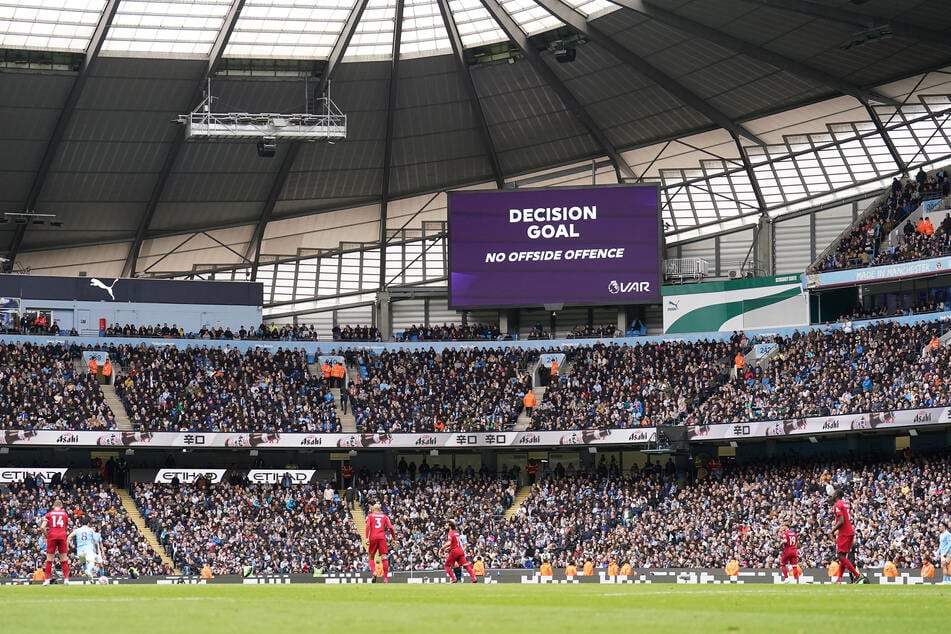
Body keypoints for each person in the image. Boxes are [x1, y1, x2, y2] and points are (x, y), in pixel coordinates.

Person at [829, 489, 868, 584]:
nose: (832, 495)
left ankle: (857, 575)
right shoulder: (845, 504)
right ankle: (838, 580)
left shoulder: (837, 505)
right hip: (850, 531)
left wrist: (832, 531)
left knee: (840, 556)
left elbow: (841, 521)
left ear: (836, 495)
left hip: (845, 532)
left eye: (833, 493)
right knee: (843, 557)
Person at [41, 499, 70, 585]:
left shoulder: (49, 514)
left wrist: (47, 536)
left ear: (53, 506)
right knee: (64, 559)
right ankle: (66, 580)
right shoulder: (65, 514)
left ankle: (46, 580)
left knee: (49, 559)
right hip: (62, 536)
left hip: (52, 536)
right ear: (61, 506)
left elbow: (42, 527)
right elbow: (66, 526)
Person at [365, 502, 396, 583]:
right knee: (384, 557)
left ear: (373, 509)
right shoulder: (385, 517)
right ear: (380, 509)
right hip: (382, 538)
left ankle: (374, 572)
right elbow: (391, 527)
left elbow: (368, 526)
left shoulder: (370, 516)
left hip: (373, 537)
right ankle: (385, 579)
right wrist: (394, 538)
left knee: (371, 557)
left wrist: (366, 538)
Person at [440, 519, 476, 583]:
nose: (445, 526)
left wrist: (442, 548)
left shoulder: (450, 533)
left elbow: (449, 543)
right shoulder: (456, 532)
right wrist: (448, 548)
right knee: (466, 565)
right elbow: (455, 543)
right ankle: (473, 578)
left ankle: (453, 579)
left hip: (454, 551)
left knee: (446, 565)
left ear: (450, 526)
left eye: (446, 525)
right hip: (460, 550)